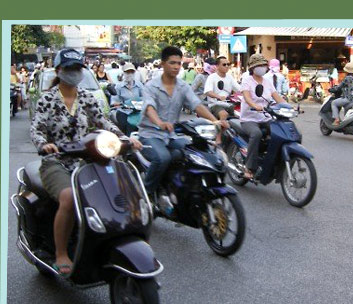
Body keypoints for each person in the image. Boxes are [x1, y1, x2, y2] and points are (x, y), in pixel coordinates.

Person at [30, 48, 142, 276]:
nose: (75, 73)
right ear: (59, 70)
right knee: (69, 197)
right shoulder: (47, 99)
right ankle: (61, 253)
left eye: (78, 68)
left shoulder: (88, 97)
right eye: (70, 69)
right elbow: (37, 129)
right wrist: (44, 144)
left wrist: (124, 138)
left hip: (86, 159)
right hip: (56, 161)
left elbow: (103, 122)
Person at [138, 46, 228, 195]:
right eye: (172, 63)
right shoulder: (151, 86)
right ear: (162, 64)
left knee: (198, 151)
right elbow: (149, 108)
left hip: (171, 135)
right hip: (150, 134)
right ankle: (146, 194)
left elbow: (196, 105)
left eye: (179, 63)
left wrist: (215, 121)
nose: (176, 67)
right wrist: (160, 123)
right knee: (163, 158)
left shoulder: (182, 86)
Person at [240, 54, 288, 179]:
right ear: (252, 67)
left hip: (265, 117)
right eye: (259, 65)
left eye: (263, 65)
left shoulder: (267, 81)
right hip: (249, 118)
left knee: (281, 131)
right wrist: (254, 105)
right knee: (256, 134)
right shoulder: (247, 80)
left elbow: (277, 97)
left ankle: (272, 161)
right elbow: (246, 97)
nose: (262, 67)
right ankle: (249, 167)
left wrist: (289, 107)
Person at [204, 56, 241, 120]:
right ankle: (221, 129)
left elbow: (240, 89)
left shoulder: (230, 77)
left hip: (228, 104)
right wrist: (219, 97)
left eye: (228, 64)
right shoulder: (211, 77)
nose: (227, 66)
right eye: (224, 64)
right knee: (224, 114)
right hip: (215, 105)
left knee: (241, 114)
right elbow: (208, 92)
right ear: (217, 66)